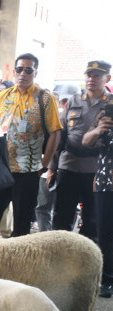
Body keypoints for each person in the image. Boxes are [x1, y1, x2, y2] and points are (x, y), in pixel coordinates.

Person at [0, 53, 63, 236]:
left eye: (28, 70)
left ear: (35, 73)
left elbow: (55, 132)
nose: (23, 73)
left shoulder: (45, 98)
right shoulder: (2, 96)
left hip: (28, 170)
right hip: (2, 167)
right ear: (14, 72)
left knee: (21, 224)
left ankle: (19, 262)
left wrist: (45, 164)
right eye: (20, 69)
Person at [51, 61, 112, 239]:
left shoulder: (111, 103)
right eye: (88, 75)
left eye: (97, 75)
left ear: (107, 78)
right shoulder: (74, 100)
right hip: (68, 165)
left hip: (96, 170)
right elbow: (60, 135)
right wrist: (52, 167)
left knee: (91, 220)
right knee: (62, 215)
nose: (91, 79)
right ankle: (60, 254)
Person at [83, 97, 113, 297]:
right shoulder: (105, 116)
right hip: (105, 183)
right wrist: (98, 130)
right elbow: (86, 141)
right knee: (105, 232)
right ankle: (106, 279)